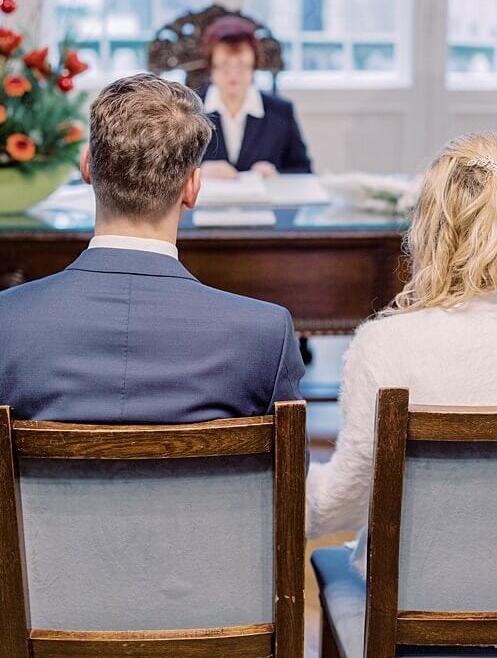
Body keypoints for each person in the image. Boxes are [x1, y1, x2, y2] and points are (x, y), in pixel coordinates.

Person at [306, 132, 497, 566]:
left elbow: (347, 500)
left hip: (417, 614)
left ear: (431, 228)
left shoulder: (385, 345)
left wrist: (279, 497)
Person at [0, 73, 304, 422]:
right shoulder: (265, 334)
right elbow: (289, 471)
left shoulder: (6, 322)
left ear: (87, 167)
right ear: (193, 187)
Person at [198, 15, 312, 178]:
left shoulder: (280, 111)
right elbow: (167, 172)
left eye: (241, 66)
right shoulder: (189, 111)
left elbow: (303, 170)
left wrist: (275, 173)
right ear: (211, 68)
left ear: (254, 66)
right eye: (225, 66)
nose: (233, 75)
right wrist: (200, 171)